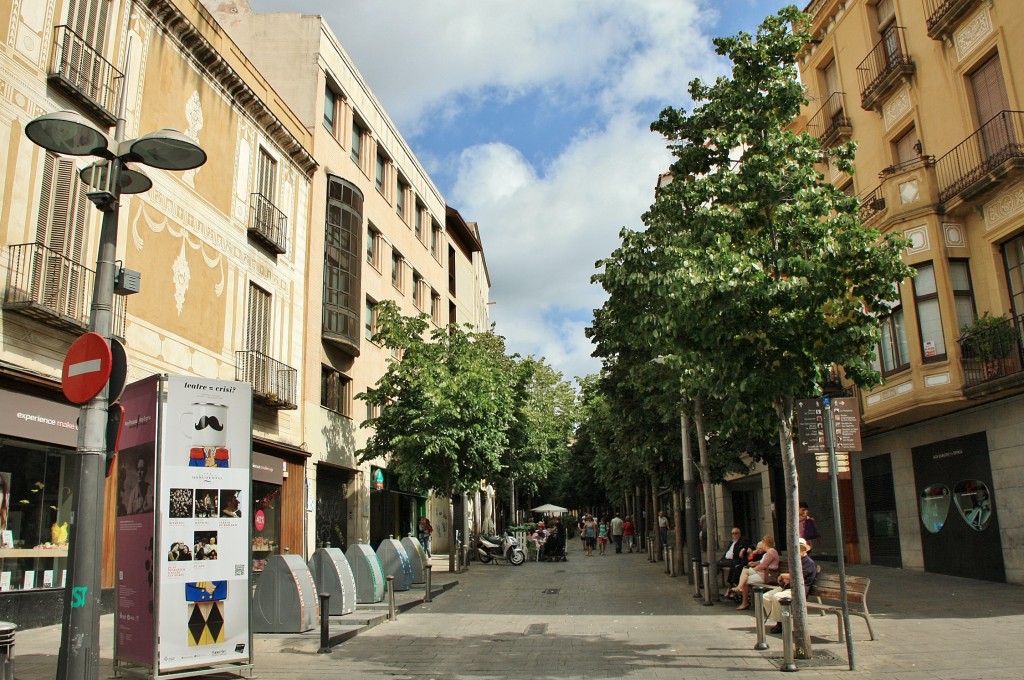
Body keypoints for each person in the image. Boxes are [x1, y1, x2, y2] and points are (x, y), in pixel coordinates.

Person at [763, 538, 817, 633]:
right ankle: (778, 620)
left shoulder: (809, 563)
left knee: (777, 597)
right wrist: (784, 579)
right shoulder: (796, 560)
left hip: (799, 590)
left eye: (800, 548)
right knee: (766, 596)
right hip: (788, 587)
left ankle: (782, 624)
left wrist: (784, 575)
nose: (798, 550)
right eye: (796, 548)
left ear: (805, 549)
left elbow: (798, 576)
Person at [734, 535, 779, 610]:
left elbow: (763, 565)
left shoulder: (771, 552)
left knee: (745, 575)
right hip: (763, 573)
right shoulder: (768, 552)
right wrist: (754, 563)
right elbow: (762, 562)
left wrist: (753, 569)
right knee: (744, 574)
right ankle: (741, 592)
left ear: (765, 543)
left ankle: (741, 594)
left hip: (767, 575)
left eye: (763, 542)